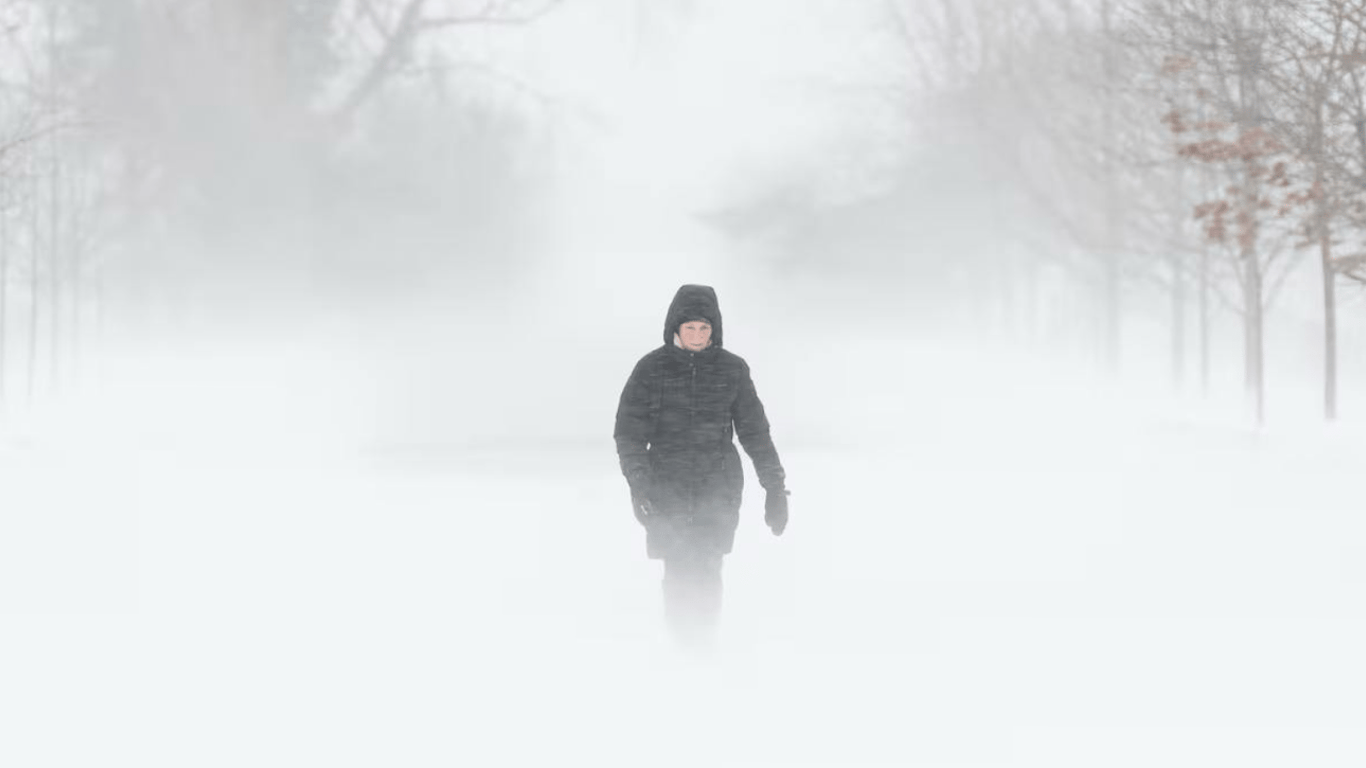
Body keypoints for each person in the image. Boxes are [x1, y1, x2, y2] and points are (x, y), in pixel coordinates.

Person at [613, 284, 789, 647]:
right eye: (690, 328)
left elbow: (755, 432)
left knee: (709, 568)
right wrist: (641, 483)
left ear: (715, 329)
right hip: (665, 488)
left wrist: (774, 486)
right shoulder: (651, 369)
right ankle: (682, 648)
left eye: (704, 328)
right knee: (677, 568)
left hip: (718, 488)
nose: (697, 335)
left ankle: (703, 650)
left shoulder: (732, 370)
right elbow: (629, 434)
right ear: (675, 328)